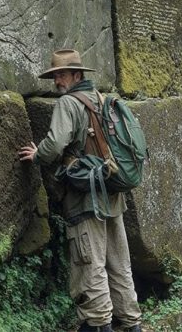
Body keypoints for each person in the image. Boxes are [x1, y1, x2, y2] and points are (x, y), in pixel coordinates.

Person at [18, 49, 142, 332]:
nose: (57, 82)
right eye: (54, 76)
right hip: (113, 194)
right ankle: (131, 323)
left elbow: (55, 143)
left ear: (77, 75)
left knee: (90, 263)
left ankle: (98, 325)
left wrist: (38, 155)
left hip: (86, 197)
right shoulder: (102, 100)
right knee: (119, 264)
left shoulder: (68, 103)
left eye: (61, 75)